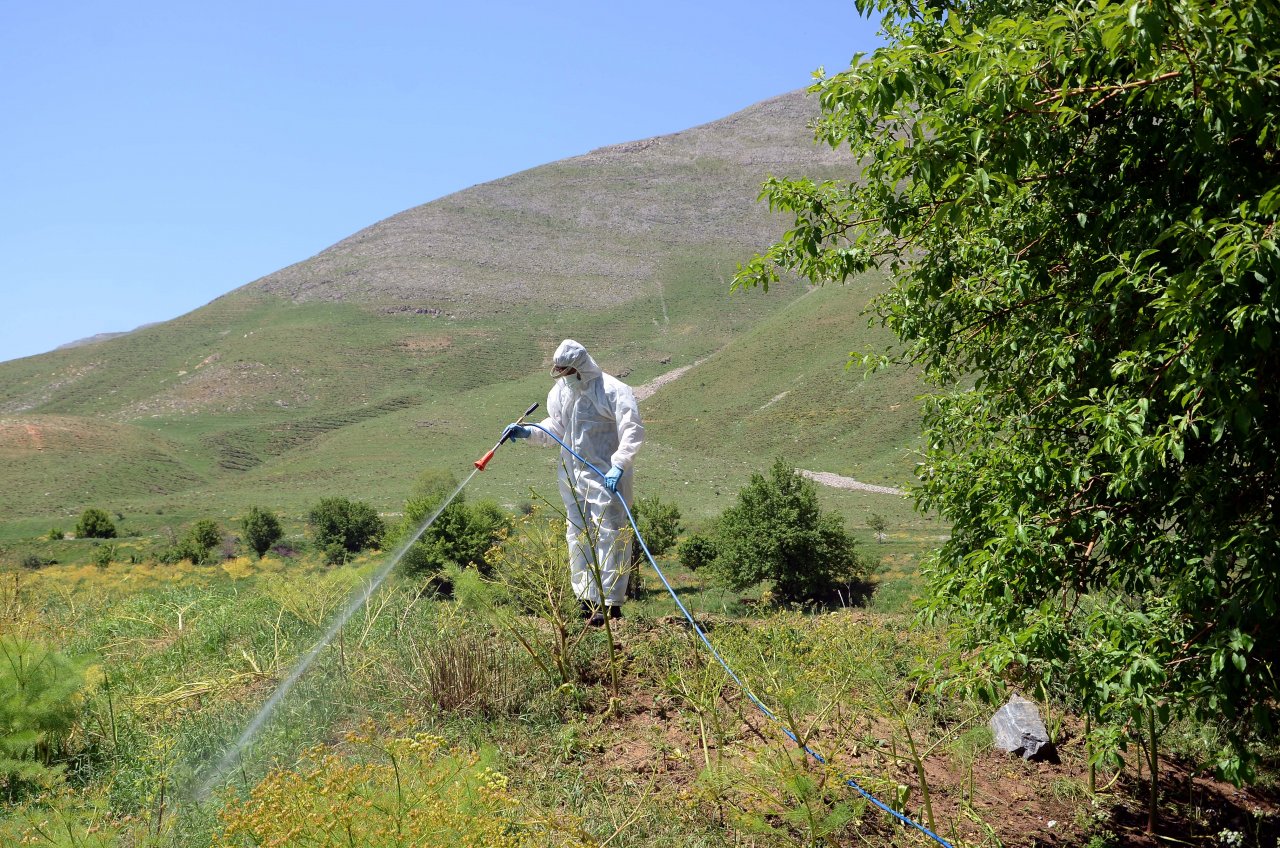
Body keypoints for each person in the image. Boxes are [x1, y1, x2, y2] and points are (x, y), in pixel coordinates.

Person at [504, 339, 644, 625]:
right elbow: (555, 427)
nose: (563, 376)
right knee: (577, 535)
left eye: (566, 370)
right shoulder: (561, 393)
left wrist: (619, 465)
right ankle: (585, 600)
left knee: (611, 534)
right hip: (573, 476)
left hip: (608, 478)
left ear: (579, 368)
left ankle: (610, 604)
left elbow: (632, 430)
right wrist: (528, 432)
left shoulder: (614, 391)